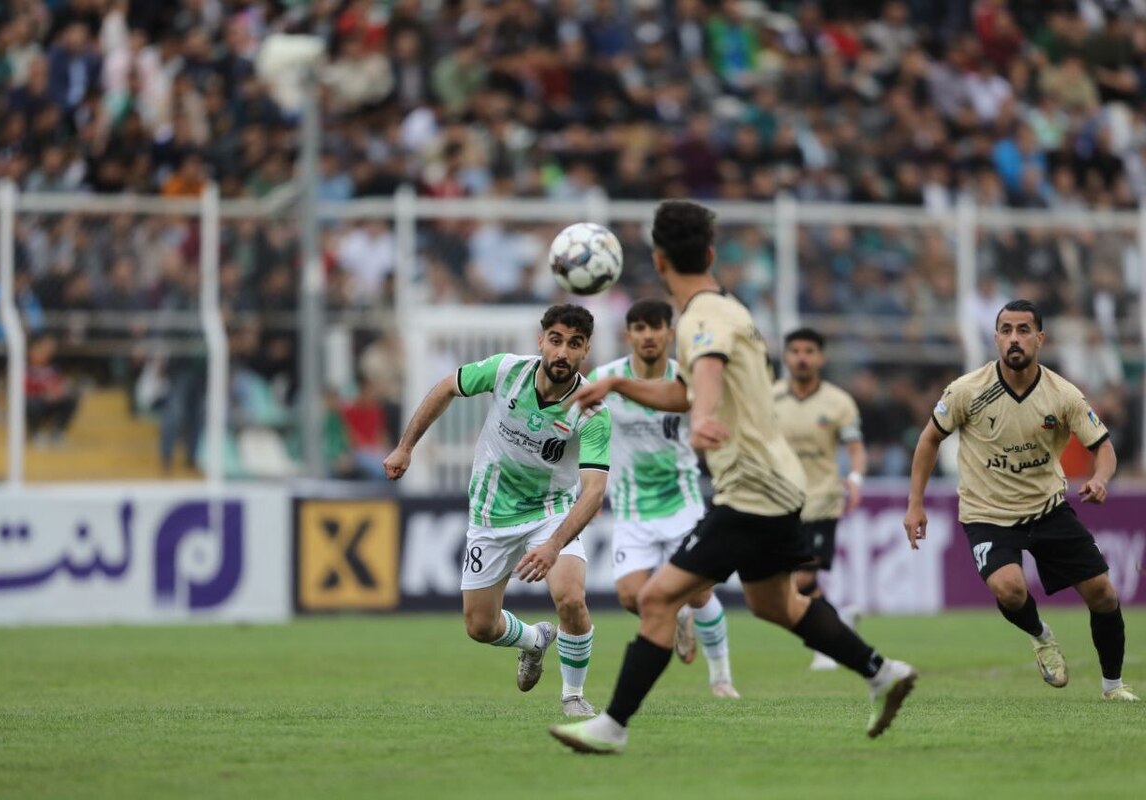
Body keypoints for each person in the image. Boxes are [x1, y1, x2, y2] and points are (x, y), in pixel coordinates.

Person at [550, 201, 916, 755]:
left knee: (655, 600)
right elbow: (689, 388)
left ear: (658, 259)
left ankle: (613, 726)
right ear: (712, 255)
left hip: (751, 489)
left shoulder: (701, 320)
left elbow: (707, 374)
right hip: (777, 482)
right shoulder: (727, 307)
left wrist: (702, 420)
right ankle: (882, 671)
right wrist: (620, 387)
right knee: (776, 605)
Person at [383, 304, 612, 717]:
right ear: (541, 340)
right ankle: (533, 641)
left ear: (585, 352)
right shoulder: (506, 370)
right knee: (480, 626)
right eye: (556, 340)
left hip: (550, 512)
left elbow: (594, 492)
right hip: (491, 514)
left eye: (574, 344)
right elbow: (446, 387)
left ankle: (573, 696)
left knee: (571, 598)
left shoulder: (592, 409)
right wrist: (406, 446)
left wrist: (555, 545)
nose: (562, 352)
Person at [904, 299, 1137, 701]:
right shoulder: (966, 391)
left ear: (1039, 339)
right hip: (987, 514)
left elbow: (1103, 447)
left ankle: (1113, 687)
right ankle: (1041, 636)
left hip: (1047, 509)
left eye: (1024, 330)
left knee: (1103, 593)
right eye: (1007, 330)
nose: (1015, 338)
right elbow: (929, 439)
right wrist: (915, 503)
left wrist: (1100, 479)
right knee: (1010, 589)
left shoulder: (1062, 395)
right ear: (996, 338)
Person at [590, 298, 739, 699]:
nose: (648, 335)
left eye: (655, 327)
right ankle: (678, 619)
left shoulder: (688, 381)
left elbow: (717, 422)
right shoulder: (605, 378)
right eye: (639, 328)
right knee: (629, 597)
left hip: (682, 502)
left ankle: (721, 677)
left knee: (701, 590)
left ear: (669, 333)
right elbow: (576, 419)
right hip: (631, 507)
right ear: (629, 335)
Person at [773, 327, 867, 670]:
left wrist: (855, 479)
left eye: (808, 351)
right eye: (795, 350)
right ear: (786, 356)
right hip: (780, 502)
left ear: (820, 357)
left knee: (803, 579)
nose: (801, 357)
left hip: (822, 499)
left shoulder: (838, 402)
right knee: (785, 588)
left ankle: (829, 645)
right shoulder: (771, 399)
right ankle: (837, 626)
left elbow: (856, 449)